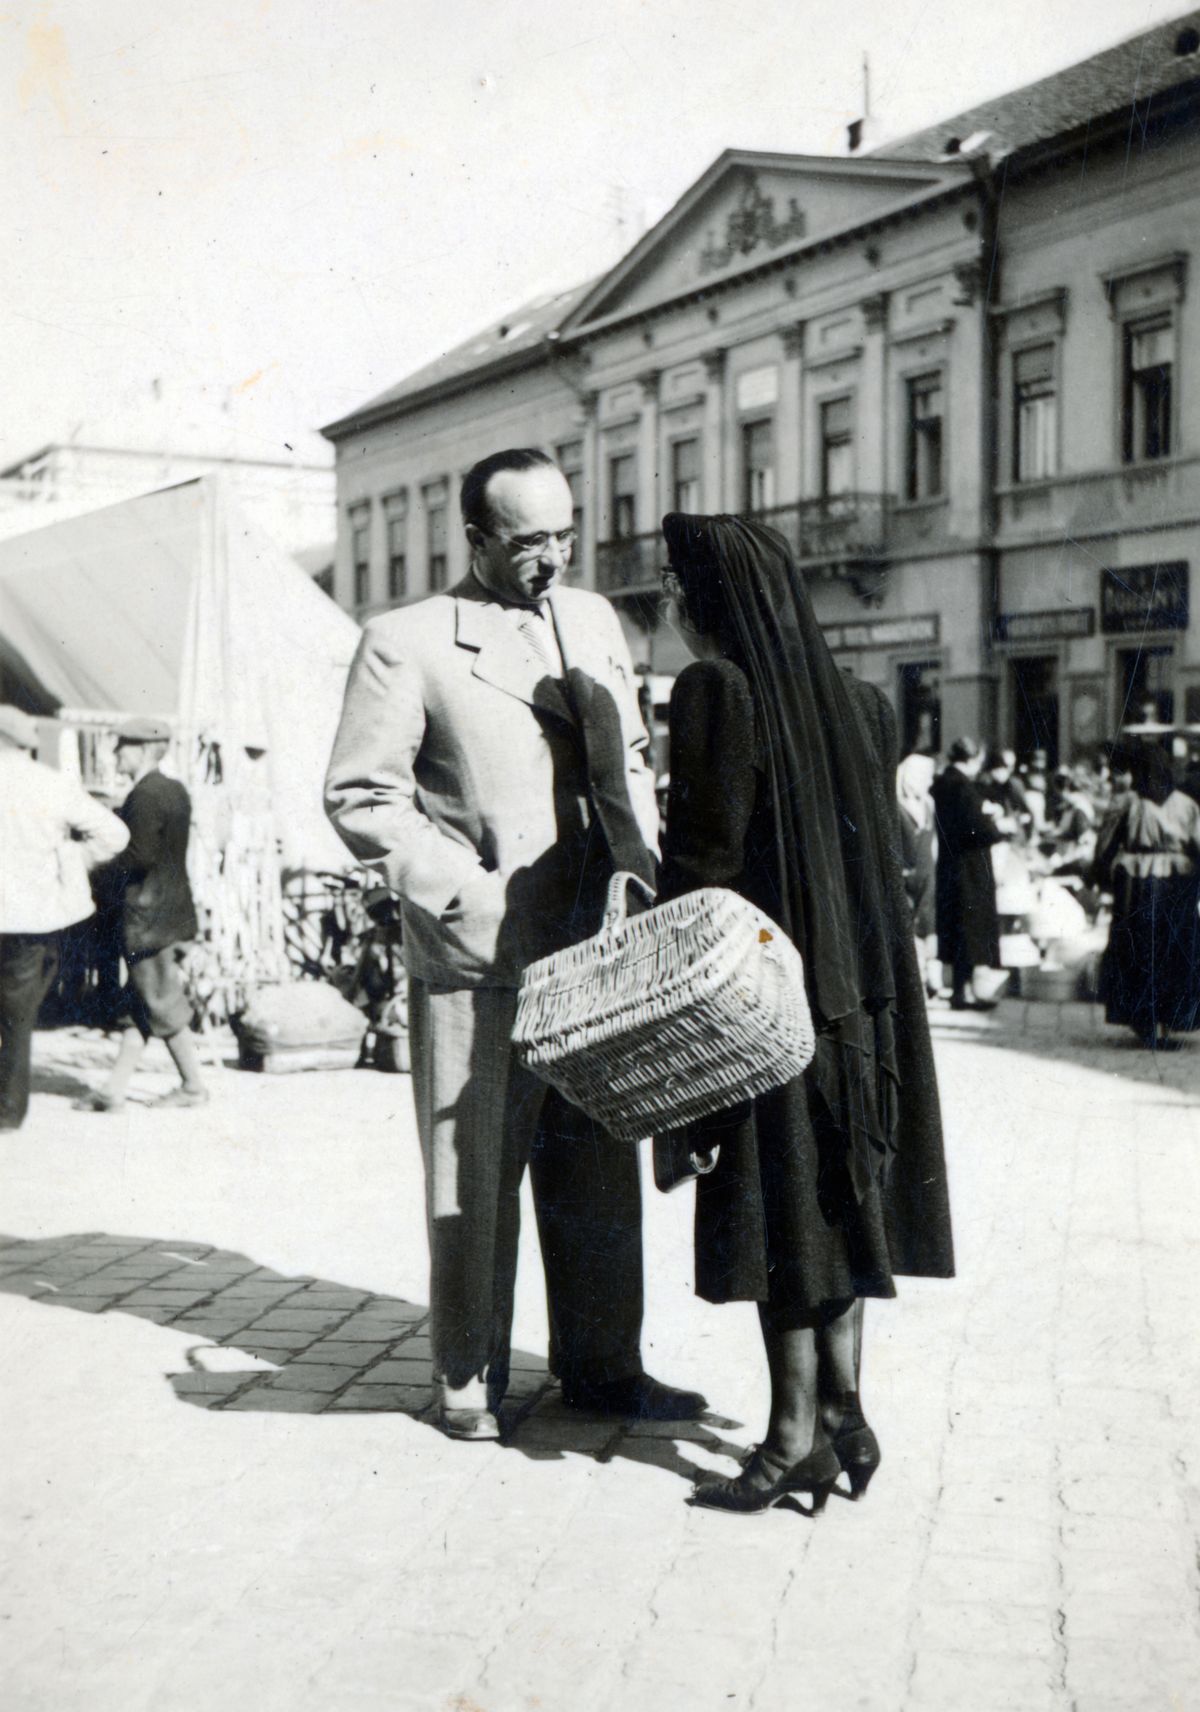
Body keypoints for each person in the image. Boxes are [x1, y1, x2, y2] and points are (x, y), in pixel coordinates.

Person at [325, 447, 705, 1441]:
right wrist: (460, 894)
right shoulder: (404, 642)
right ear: (478, 539)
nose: (554, 555)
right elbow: (362, 793)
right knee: (474, 1171)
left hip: (601, 942)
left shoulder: (593, 619)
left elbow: (628, 760)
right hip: (481, 952)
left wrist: (650, 874)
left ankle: (606, 1364)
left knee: (597, 1165)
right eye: (530, 539)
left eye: (565, 532)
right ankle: (468, 1374)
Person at [654, 513, 954, 1515]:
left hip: (764, 1001)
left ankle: (788, 1439)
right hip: (860, 1005)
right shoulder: (864, 704)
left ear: (711, 604)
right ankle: (843, 1409)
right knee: (838, 1196)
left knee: (777, 1207)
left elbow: (701, 868)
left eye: (679, 594)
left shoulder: (716, 691)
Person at [0, 706, 130, 1130]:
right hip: (33, 917)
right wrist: (75, 861)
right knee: (18, 1017)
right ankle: (8, 1111)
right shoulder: (52, 785)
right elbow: (114, 834)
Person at [76, 720, 207, 1113]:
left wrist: (92, 868)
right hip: (171, 912)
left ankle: (193, 1086)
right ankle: (113, 1091)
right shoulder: (174, 790)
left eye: (122, 747)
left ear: (144, 750)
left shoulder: (144, 796)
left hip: (146, 919)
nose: (117, 754)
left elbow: (140, 857)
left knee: (161, 1002)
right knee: (141, 1007)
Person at [1092, 744, 1200, 1049]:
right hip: (1178, 884)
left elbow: (1105, 845)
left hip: (1137, 887)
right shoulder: (1185, 804)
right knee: (1174, 952)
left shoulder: (1128, 802)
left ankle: (1146, 1022)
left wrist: (1102, 877)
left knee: (1140, 950)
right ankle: (1169, 1020)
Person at [931, 737, 1012, 1011]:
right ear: (972, 758)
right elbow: (976, 827)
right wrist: (997, 826)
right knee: (969, 928)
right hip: (970, 867)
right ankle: (963, 993)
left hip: (950, 864)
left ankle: (959, 991)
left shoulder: (943, 783)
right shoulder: (962, 787)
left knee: (957, 927)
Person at [896, 752, 941, 998]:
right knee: (907, 923)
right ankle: (914, 980)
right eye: (926, 777)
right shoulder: (896, 804)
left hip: (926, 870)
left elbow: (932, 837)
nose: (929, 782)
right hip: (905, 872)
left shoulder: (928, 802)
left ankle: (930, 976)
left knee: (927, 919)